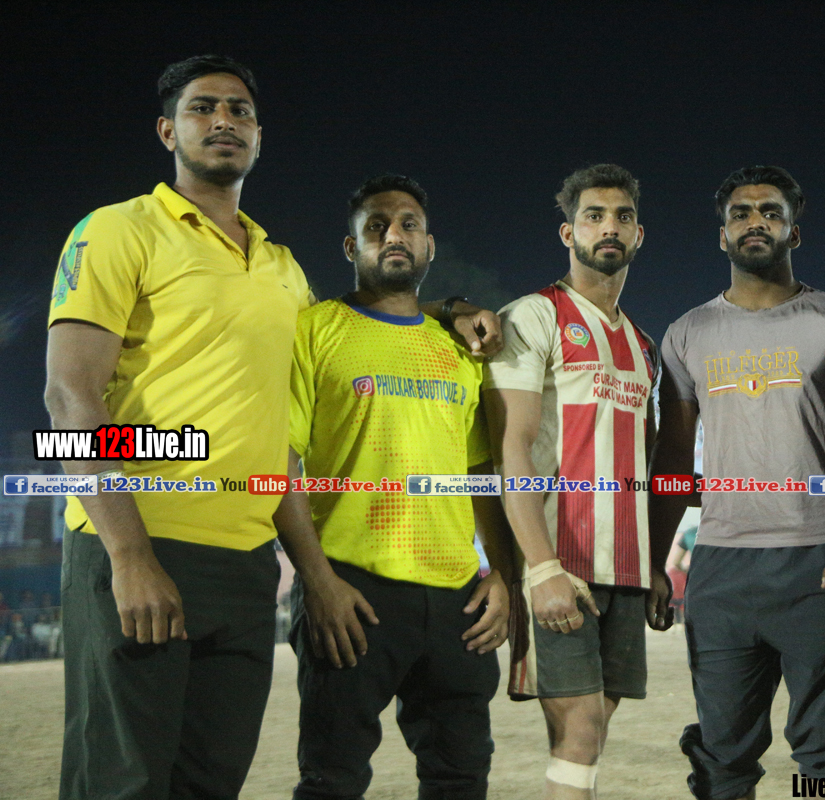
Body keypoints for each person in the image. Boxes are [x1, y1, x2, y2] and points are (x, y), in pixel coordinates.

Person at [43, 55, 500, 800]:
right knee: (121, 783)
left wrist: (449, 309)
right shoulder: (119, 230)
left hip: (248, 564)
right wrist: (127, 553)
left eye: (240, 110)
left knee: (210, 780)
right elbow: (68, 399)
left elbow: (366, 322)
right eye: (202, 107)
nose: (223, 120)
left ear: (259, 136)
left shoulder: (282, 269)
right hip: (143, 539)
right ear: (167, 131)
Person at [650, 165, 825, 800]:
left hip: (821, 561)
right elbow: (672, 459)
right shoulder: (686, 333)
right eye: (740, 213)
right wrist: (654, 560)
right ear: (722, 235)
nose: (754, 222)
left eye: (770, 212)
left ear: (795, 230)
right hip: (721, 569)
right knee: (721, 754)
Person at [275, 173, 514, 800]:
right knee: (332, 781)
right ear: (351, 248)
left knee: (462, 778)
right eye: (375, 227)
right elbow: (279, 467)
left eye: (409, 225)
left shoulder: (460, 350)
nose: (394, 236)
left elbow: (478, 477)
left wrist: (503, 575)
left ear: (429, 246)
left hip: (459, 599)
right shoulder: (313, 330)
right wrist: (317, 582)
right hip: (352, 591)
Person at [484, 164, 673, 799]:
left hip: (626, 567)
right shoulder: (532, 316)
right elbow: (510, 448)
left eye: (622, 217)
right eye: (594, 216)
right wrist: (539, 568)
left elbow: (643, 463)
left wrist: (654, 563)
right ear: (569, 232)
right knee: (581, 727)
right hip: (560, 560)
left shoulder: (643, 343)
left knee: (590, 732)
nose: (608, 227)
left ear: (639, 234)